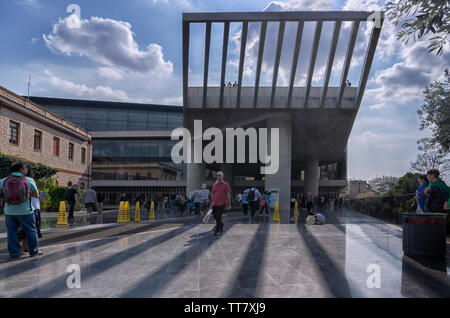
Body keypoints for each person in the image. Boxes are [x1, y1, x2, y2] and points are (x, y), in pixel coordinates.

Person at [0, 161, 43, 259]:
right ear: (21, 170)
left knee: (11, 232)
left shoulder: (4, 180)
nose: (26, 170)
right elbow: (36, 195)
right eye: (25, 168)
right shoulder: (29, 180)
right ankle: (34, 251)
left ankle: (14, 253)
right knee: (31, 231)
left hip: (9, 211)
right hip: (26, 211)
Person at [209, 171, 231, 236]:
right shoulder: (214, 185)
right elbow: (212, 195)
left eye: (220, 175)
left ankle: (217, 230)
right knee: (215, 215)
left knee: (219, 216)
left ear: (222, 176)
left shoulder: (226, 184)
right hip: (215, 203)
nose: (218, 176)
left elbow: (228, 195)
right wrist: (210, 203)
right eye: (217, 175)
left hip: (223, 203)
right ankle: (221, 225)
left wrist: (229, 204)